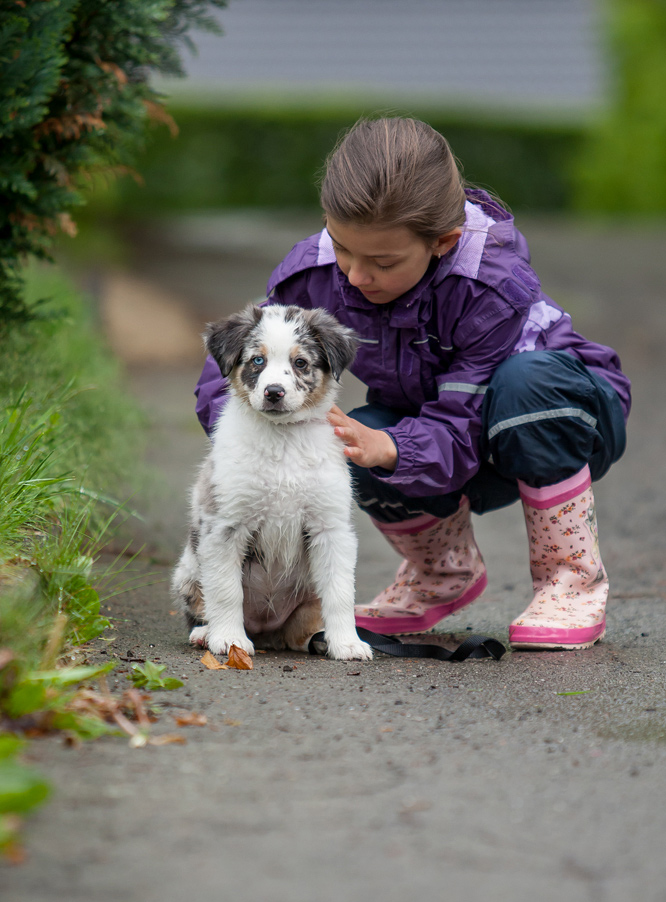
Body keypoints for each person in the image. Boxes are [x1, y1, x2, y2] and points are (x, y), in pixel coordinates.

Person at [194, 116, 630, 651]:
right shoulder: (310, 273)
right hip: (439, 429)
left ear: (442, 242)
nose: (354, 275)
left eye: (382, 262)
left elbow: (463, 417)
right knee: (358, 436)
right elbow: (241, 360)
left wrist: (397, 447)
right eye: (342, 248)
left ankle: (571, 578)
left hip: (560, 420)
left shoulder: (487, 286)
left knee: (524, 384)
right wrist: (244, 434)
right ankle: (441, 572)